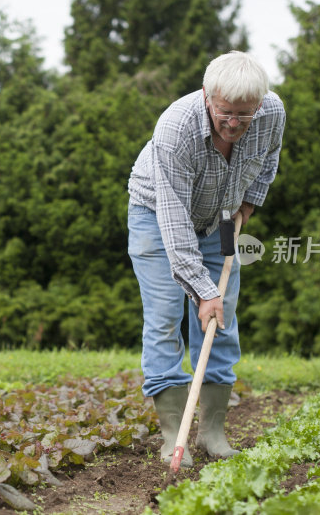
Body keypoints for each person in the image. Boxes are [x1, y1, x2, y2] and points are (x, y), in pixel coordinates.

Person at [127, 51, 285, 467]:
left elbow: (269, 156)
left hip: (221, 218)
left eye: (245, 115)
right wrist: (201, 290)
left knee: (222, 319)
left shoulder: (271, 113)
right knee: (164, 318)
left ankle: (212, 432)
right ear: (207, 96)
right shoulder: (175, 129)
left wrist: (251, 199)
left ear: (260, 105)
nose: (234, 124)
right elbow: (175, 219)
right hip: (158, 216)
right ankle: (170, 436)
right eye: (226, 112)